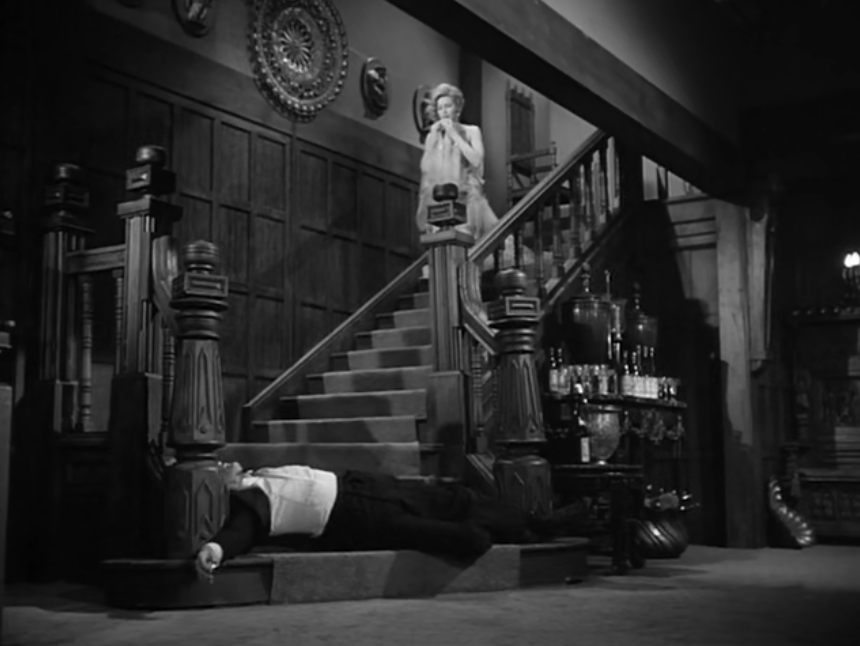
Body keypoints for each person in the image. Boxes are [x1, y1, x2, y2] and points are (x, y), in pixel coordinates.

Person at [195, 463, 582, 578]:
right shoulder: (247, 507)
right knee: (458, 535)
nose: (225, 462)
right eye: (219, 467)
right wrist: (215, 549)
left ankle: (539, 523)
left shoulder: (255, 474)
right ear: (219, 488)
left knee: (456, 498)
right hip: (353, 518)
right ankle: (514, 533)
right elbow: (238, 535)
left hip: (362, 484)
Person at [416, 83, 499, 242]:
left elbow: (476, 161)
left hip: (467, 202)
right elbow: (426, 173)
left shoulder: (471, 131)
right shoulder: (433, 136)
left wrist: (454, 134)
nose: (444, 111)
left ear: (458, 109)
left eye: (448, 106)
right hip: (441, 204)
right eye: (440, 108)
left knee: (468, 242)